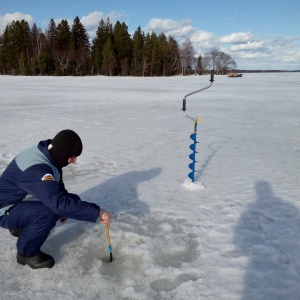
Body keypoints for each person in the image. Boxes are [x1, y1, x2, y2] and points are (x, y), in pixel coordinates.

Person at [0, 129, 111, 269]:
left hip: (20, 199)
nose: (74, 161)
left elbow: (55, 188)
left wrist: (65, 209)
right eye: (72, 157)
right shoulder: (36, 169)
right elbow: (58, 203)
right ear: (63, 154)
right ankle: (26, 253)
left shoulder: (48, 153)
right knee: (49, 212)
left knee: (68, 203)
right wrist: (98, 212)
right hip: (5, 208)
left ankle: (21, 226)